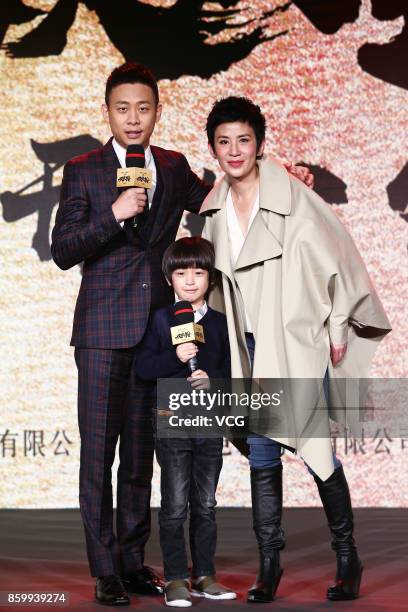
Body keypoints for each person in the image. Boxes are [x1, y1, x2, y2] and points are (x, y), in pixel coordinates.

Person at [51, 61, 312, 605]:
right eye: (122, 108)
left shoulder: (172, 166)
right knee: (99, 454)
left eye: (143, 108)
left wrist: (281, 178)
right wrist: (115, 214)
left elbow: (220, 199)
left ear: (156, 112)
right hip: (100, 332)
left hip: (160, 335)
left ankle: (131, 559)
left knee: (144, 455)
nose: (133, 118)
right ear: (108, 111)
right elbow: (63, 249)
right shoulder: (84, 169)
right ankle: (104, 569)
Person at [200, 96, 391, 603]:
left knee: (315, 451)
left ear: (259, 143)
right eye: (224, 142)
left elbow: (334, 256)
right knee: (262, 456)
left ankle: (348, 557)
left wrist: (335, 325)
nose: (235, 150)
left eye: (244, 139)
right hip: (250, 348)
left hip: (294, 341)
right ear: (214, 150)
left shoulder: (293, 197)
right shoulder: (215, 209)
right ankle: (270, 567)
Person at [134, 236, 236, 607]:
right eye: (181, 273)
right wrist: (177, 357)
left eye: (198, 272)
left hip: (209, 421)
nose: (190, 280)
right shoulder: (161, 319)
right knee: (175, 503)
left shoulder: (222, 324)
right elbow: (144, 368)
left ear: (210, 278)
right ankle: (176, 576)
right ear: (168, 278)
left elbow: (230, 372)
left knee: (205, 503)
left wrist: (214, 381)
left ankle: (204, 574)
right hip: (172, 419)